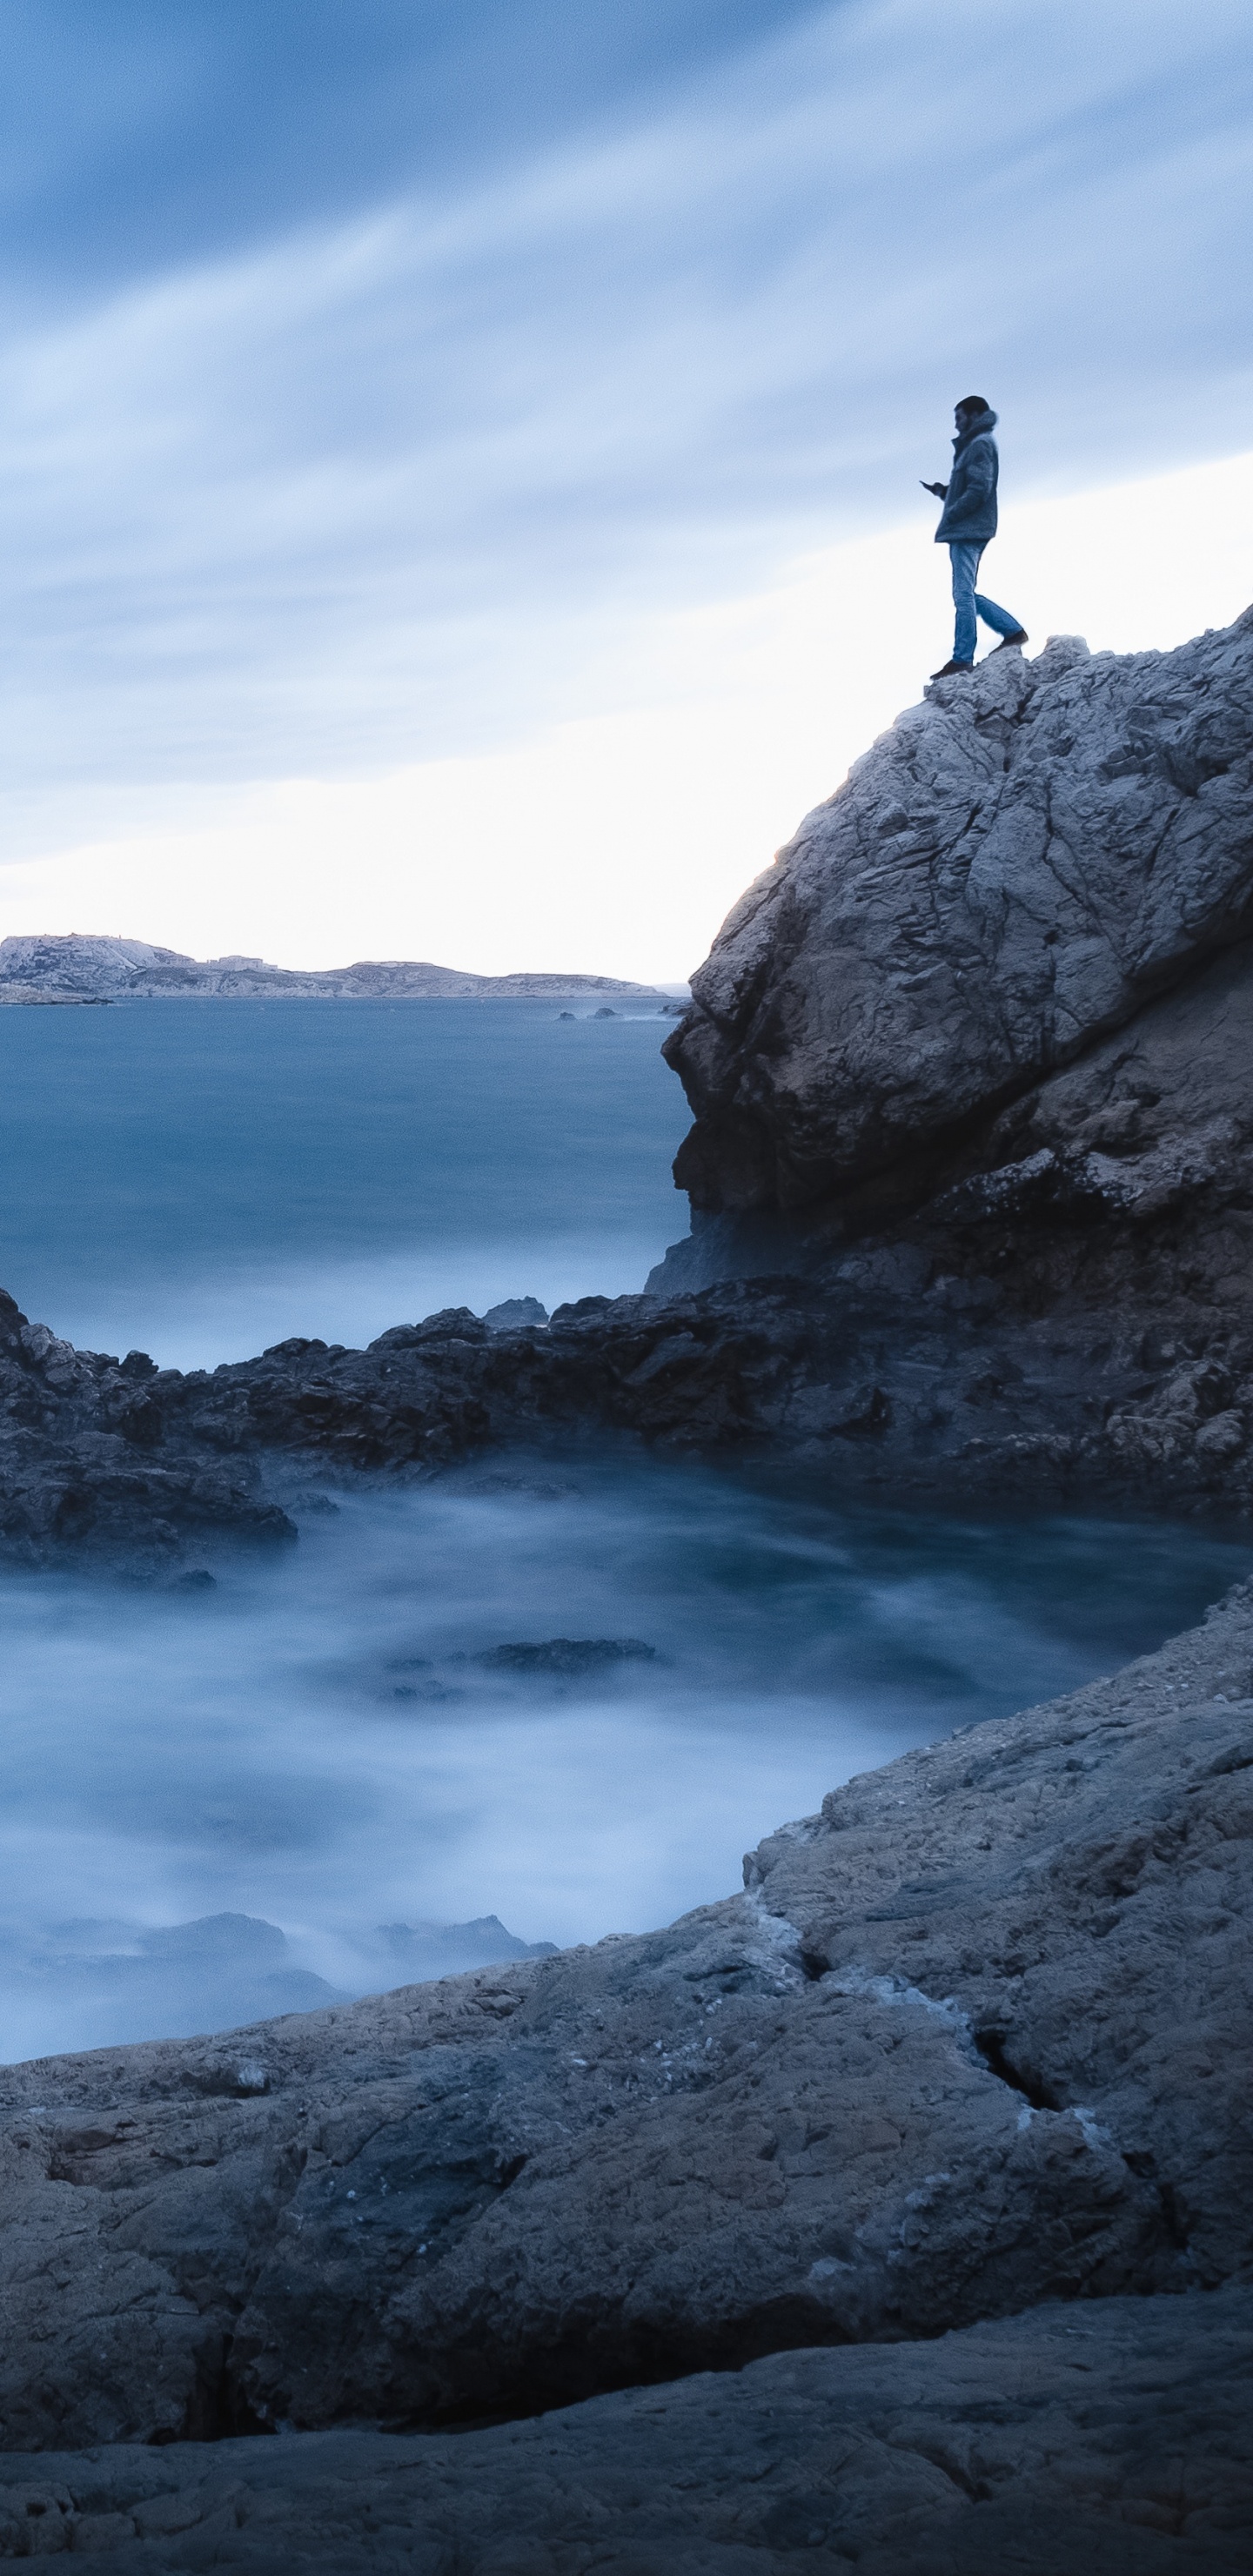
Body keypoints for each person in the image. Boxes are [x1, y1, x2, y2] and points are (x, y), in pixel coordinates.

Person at [921, 397, 1028, 678]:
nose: (956, 423)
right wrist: (943, 492)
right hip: (967, 528)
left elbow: (980, 488)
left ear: (975, 414)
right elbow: (969, 488)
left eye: (959, 417)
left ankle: (963, 658)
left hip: (968, 529)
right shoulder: (974, 445)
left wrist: (954, 513)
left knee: (962, 594)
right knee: (965, 593)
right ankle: (1012, 631)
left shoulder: (980, 444)